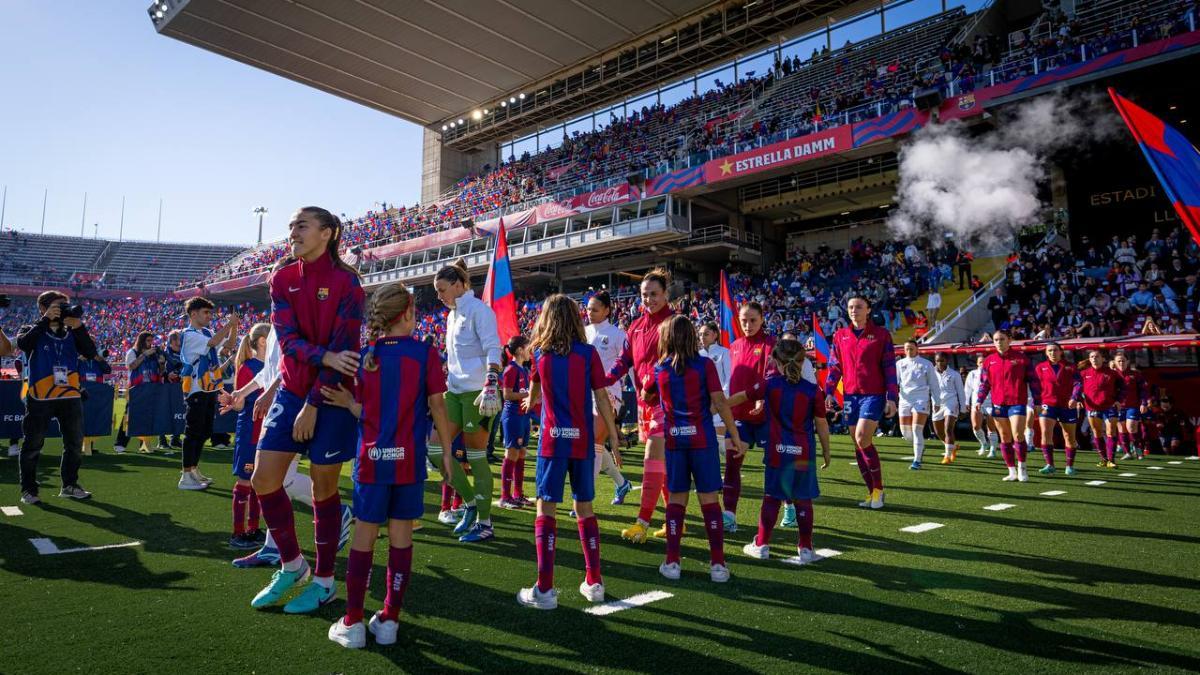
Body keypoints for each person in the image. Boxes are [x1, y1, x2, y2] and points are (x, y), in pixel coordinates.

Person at [322, 283, 455, 649]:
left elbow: (367, 412)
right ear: (408, 313)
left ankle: (353, 621)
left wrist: (349, 404)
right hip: (408, 462)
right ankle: (390, 620)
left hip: (372, 462)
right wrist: (446, 452)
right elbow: (438, 407)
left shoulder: (366, 356)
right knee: (401, 538)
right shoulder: (425, 353)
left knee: (364, 537)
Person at [248, 207, 364, 614]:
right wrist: (322, 357)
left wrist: (313, 403)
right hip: (292, 390)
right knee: (263, 478)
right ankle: (292, 565)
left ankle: (325, 581)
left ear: (327, 233)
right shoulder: (282, 278)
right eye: (291, 226)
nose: (292, 232)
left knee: (323, 487)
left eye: (301, 226)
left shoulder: (349, 283)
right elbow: (288, 340)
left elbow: (345, 353)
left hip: (331, 395)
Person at [516, 294, 621, 609]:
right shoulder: (588, 354)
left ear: (546, 319)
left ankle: (545, 589)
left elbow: (534, 392)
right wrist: (614, 436)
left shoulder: (539, 354)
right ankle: (594, 581)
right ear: (576, 319)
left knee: (545, 508)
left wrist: (530, 400)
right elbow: (602, 398)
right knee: (585, 507)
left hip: (552, 440)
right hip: (582, 440)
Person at [645, 315, 745, 583]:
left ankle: (672, 562)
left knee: (677, 499)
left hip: (675, 441)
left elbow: (646, 394)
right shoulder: (704, 364)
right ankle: (718, 565)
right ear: (691, 336)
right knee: (709, 500)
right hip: (702, 440)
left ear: (666, 338)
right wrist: (734, 434)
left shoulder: (660, 368)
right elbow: (720, 402)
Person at [730, 339, 831, 564]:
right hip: (804, 453)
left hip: (778, 451)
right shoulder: (813, 391)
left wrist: (719, 405)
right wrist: (826, 451)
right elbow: (822, 424)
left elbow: (743, 396)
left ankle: (761, 544)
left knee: (772, 498)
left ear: (777, 362)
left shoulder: (770, 385)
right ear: (802, 362)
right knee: (803, 499)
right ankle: (806, 548)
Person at [432, 259, 503, 543]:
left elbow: (493, 348)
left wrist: (491, 382)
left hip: (478, 393)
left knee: (476, 457)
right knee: (435, 450)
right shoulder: (451, 315)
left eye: (442, 290)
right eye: (437, 291)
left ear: (459, 285)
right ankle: (471, 503)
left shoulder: (480, 311)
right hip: (454, 392)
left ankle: (485, 523)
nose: (439, 296)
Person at [603, 268, 675, 543]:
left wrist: (652, 383)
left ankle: (642, 523)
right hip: (646, 403)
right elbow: (625, 360)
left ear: (665, 294)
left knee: (652, 460)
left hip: (668, 403)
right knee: (662, 466)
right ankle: (672, 521)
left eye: (654, 294)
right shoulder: (635, 326)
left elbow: (673, 360)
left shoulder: (674, 323)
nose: (649, 299)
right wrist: (605, 378)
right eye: (645, 294)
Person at [15, 291, 98, 504]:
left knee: (74, 443)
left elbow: (90, 353)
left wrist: (79, 327)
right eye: (58, 306)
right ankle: (29, 490)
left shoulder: (72, 331)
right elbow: (23, 344)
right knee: (33, 444)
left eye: (65, 306)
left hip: (70, 394)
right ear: (43, 308)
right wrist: (45, 321)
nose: (63, 310)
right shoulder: (31, 329)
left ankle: (70, 485)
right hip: (40, 396)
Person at [825, 296, 896, 509]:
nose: (854, 310)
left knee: (862, 437)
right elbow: (834, 366)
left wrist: (892, 398)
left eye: (858, 307)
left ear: (868, 310)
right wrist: (829, 392)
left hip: (873, 395)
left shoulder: (881, 335)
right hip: (850, 395)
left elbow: (889, 368)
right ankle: (871, 492)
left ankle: (879, 490)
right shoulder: (840, 335)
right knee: (857, 443)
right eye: (850, 307)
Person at [722, 302, 775, 531]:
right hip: (740, 417)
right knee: (732, 464)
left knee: (775, 466)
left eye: (753, 320)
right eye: (744, 320)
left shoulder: (771, 345)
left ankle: (790, 507)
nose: (748, 324)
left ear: (762, 319)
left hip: (767, 417)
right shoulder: (734, 346)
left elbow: (771, 378)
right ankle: (729, 515)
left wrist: (762, 399)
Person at [178, 297, 239, 490]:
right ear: (193, 314)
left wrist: (234, 326)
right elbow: (213, 343)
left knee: (204, 431)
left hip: (209, 388)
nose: (209, 316)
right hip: (196, 388)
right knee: (193, 432)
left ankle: (193, 469)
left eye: (210, 313)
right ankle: (185, 475)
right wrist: (228, 325)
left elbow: (228, 345)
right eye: (206, 312)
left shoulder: (206, 332)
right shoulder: (188, 334)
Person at [584, 292, 633, 504]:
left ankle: (585, 499)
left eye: (595, 309)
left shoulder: (618, 334)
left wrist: (639, 392)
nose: (590, 312)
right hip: (584, 394)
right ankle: (621, 483)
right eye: (588, 309)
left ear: (607, 310)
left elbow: (629, 364)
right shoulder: (583, 332)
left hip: (609, 394)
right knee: (593, 442)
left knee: (594, 441)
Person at [976, 330, 1040, 482]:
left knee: (1018, 435)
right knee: (1004, 437)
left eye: (1002, 339)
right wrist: (979, 400)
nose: (999, 342)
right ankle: (1011, 471)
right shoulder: (989, 360)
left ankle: (1022, 469)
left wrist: (1037, 401)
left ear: (1009, 340)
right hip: (998, 403)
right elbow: (984, 383)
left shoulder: (1022, 359)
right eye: (996, 340)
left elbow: (1034, 381)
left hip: (1017, 402)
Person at [228, 323, 271, 549]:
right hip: (249, 431)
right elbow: (239, 405)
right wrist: (231, 400)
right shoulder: (248, 367)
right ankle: (237, 533)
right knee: (245, 481)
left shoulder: (272, 366)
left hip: (266, 431)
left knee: (258, 482)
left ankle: (253, 529)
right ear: (263, 342)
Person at [1034, 343, 1082, 476]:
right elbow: (1035, 387)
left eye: (1055, 350)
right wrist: (1036, 403)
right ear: (1046, 353)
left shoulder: (1070, 367)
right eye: (1049, 351)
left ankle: (1069, 466)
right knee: (1045, 433)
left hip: (1067, 405)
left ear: (1061, 352)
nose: (1052, 353)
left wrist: (1074, 398)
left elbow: (1078, 383)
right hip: (1047, 404)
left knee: (1069, 436)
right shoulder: (1040, 367)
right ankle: (1050, 465)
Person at [498, 335, 532, 510]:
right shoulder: (511, 370)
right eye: (527, 347)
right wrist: (528, 395)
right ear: (519, 350)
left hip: (523, 416)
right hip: (513, 416)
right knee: (511, 454)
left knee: (522, 453)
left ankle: (518, 494)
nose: (530, 350)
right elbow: (507, 395)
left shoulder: (523, 369)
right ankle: (505, 497)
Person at [118, 332, 165, 454]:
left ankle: (144, 444)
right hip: (136, 389)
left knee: (147, 417)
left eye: (151, 341)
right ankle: (120, 443)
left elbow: (160, 372)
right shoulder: (132, 352)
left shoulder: (153, 354)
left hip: (150, 388)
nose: (150, 343)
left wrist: (162, 363)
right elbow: (131, 366)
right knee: (129, 416)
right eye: (148, 340)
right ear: (141, 341)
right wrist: (144, 355)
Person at [1077, 350, 1123, 470]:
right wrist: (1077, 399)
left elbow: (1123, 388)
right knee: (1097, 433)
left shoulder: (1112, 373)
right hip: (1092, 407)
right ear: (1089, 359)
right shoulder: (1084, 373)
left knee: (1110, 431)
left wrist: (1119, 400)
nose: (1094, 359)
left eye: (1097, 356)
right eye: (1092, 357)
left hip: (1109, 406)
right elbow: (1077, 388)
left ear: (1103, 359)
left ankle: (1111, 460)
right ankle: (1103, 459)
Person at [897, 340, 940, 470]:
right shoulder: (899, 364)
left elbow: (934, 384)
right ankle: (920, 447)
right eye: (906, 349)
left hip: (921, 399)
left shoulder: (926, 364)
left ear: (917, 349)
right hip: (904, 400)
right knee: (906, 433)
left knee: (916, 429)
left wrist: (937, 401)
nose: (909, 351)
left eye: (911, 348)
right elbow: (895, 382)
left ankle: (917, 460)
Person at [1113, 352, 1150, 461]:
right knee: (1122, 429)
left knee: (1131, 427)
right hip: (1118, 407)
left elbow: (1143, 390)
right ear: (1115, 362)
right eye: (1119, 361)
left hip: (1133, 406)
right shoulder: (1112, 375)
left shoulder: (1135, 374)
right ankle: (1128, 452)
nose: (1121, 363)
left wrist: (1144, 403)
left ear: (1128, 361)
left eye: (1123, 360)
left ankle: (1138, 450)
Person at [931, 352, 966, 464]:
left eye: (942, 361)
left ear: (947, 361)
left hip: (951, 403)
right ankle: (953, 447)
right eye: (937, 361)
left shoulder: (955, 374)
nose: (940, 363)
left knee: (948, 429)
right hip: (937, 405)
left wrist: (963, 409)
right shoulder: (930, 373)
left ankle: (947, 456)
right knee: (938, 432)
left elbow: (961, 392)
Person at [78, 349, 113, 455]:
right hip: (82, 390)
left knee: (93, 417)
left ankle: (90, 445)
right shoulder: (78, 358)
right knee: (81, 417)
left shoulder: (97, 359)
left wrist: (100, 360)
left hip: (96, 392)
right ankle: (78, 445)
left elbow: (108, 370)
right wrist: (78, 359)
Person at [964, 353, 998, 457]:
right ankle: (984, 444)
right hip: (976, 403)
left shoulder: (994, 372)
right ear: (977, 363)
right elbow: (967, 389)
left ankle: (993, 449)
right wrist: (966, 402)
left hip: (991, 403)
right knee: (975, 426)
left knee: (991, 427)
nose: (982, 364)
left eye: (984, 362)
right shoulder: (972, 374)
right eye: (980, 362)